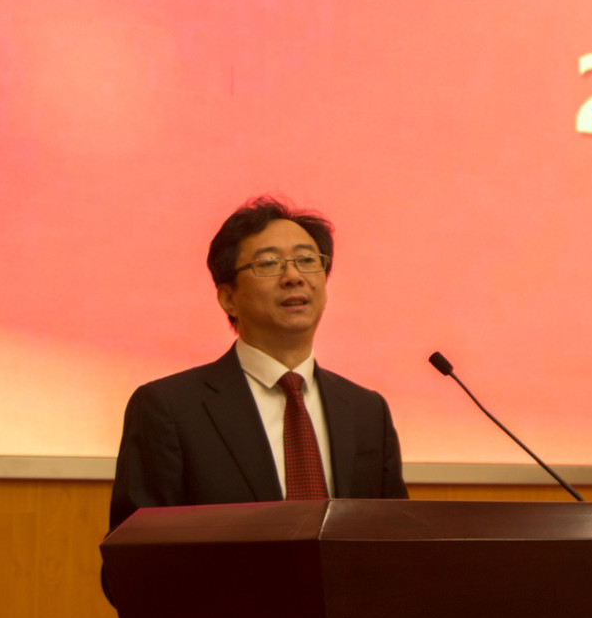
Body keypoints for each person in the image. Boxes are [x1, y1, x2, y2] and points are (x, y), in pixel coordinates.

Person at [109, 195, 409, 533]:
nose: (293, 276)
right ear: (228, 298)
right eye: (268, 263)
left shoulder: (367, 411)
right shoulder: (170, 409)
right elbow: (135, 553)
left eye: (306, 260)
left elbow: (395, 539)